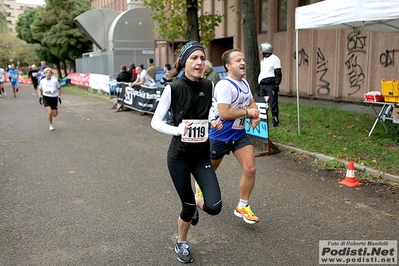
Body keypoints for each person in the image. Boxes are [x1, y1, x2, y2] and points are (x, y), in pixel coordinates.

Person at [151, 41, 223, 263]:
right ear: (184, 62)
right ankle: (181, 242)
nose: (199, 62)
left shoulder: (209, 86)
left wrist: (214, 120)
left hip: (201, 155)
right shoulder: (172, 88)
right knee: (188, 205)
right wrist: (178, 129)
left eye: (202, 58)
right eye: (194, 58)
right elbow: (155, 122)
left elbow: (209, 111)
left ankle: (194, 205)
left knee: (215, 207)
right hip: (179, 157)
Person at [207, 48, 261, 224]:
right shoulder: (225, 85)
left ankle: (242, 206)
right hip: (220, 136)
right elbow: (224, 113)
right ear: (228, 66)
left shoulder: (245, 83)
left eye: (243, 59)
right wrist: (247, 112)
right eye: (238, 60)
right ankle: (200, 186)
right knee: (208, 172)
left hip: (238, 135)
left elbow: (252, 103)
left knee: (250, 169)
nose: (243, 62)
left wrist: (255, 116)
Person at [258, 42, 282, 127]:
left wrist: (276, 84)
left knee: (273, 103)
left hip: (270, 85)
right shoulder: (263, 60)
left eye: (262, 50)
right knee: (262, 103)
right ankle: (262, 120)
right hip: (262, 85)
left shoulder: (275, 59)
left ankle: (275, 120)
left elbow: (278, 72)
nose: (261, 52)